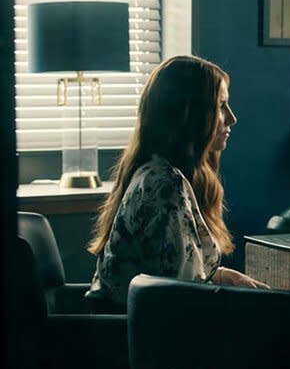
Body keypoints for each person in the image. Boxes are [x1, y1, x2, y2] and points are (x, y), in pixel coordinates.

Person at [86, 55, 269, 311]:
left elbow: (170, 274)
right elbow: (179, 300)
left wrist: (220, 274)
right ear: (188, 113)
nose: (231, 118)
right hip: (133, 339)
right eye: (220, 106)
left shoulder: (156, 172)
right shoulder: (164, 186)